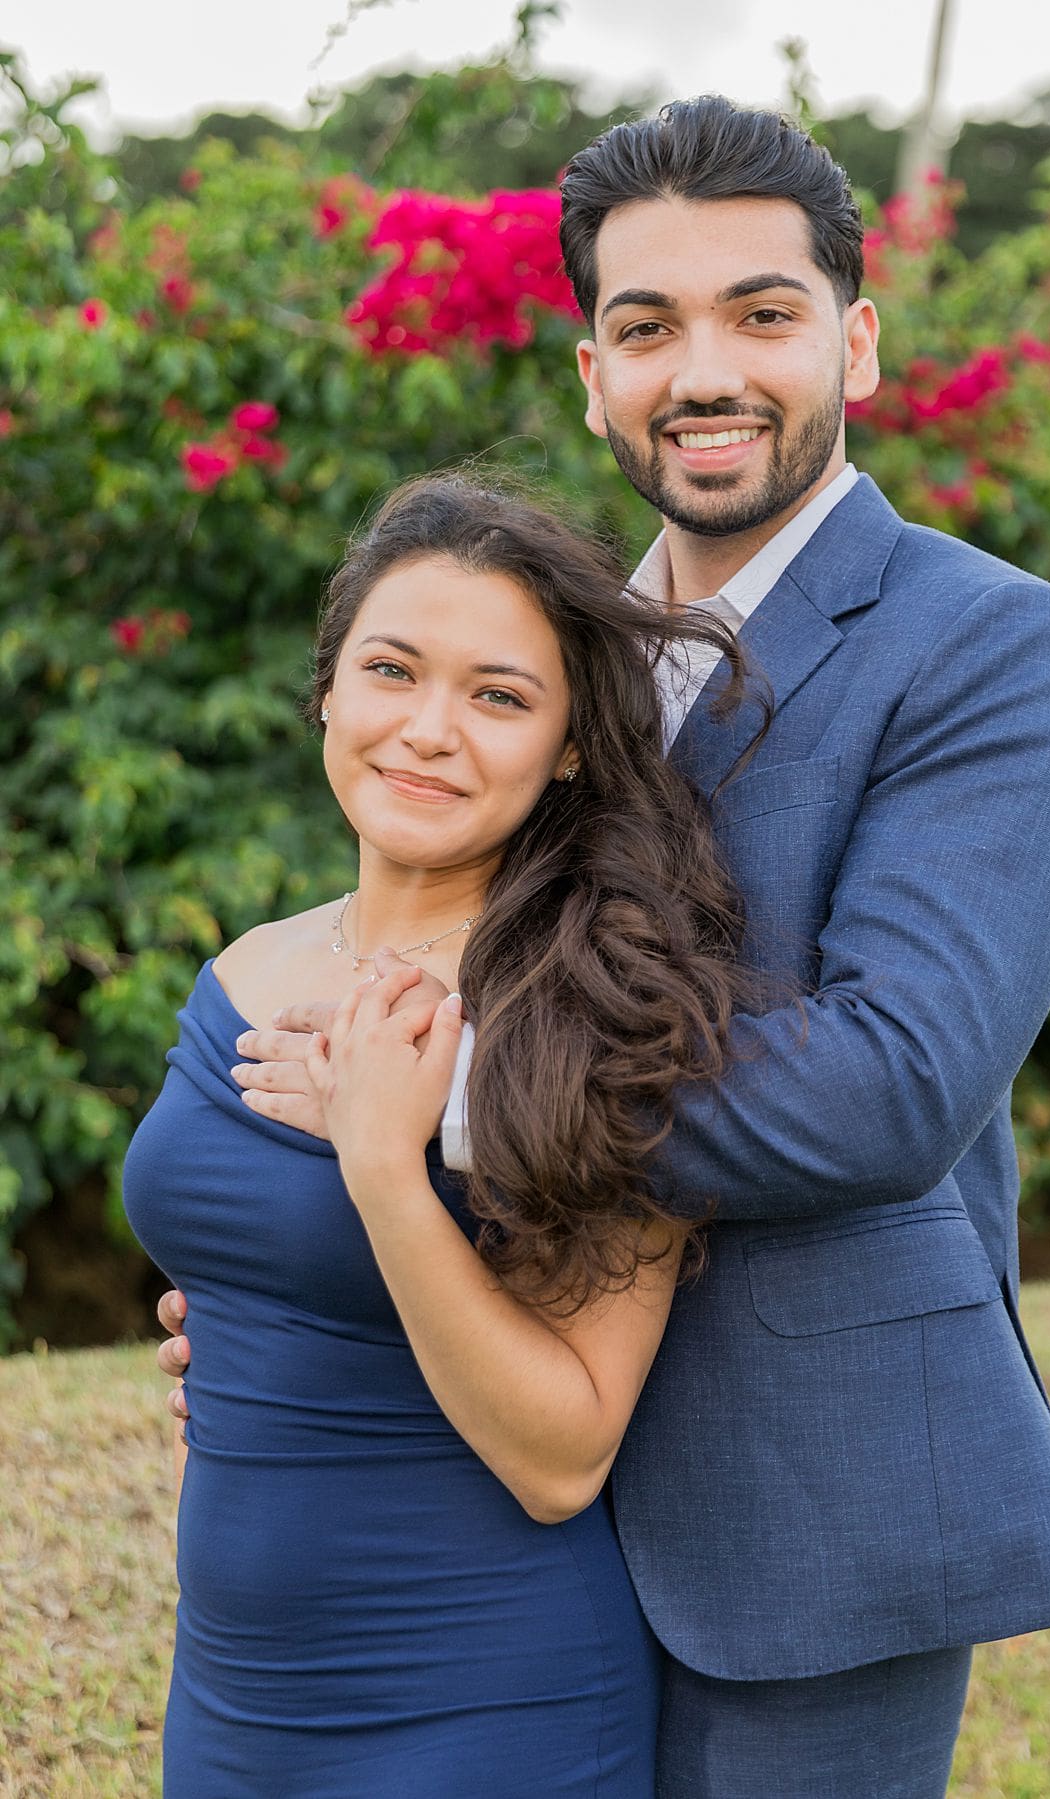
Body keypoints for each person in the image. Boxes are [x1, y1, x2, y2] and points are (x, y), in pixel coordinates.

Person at [156, 98, 1050, 1797]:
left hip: (801, 1512)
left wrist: (430, 1110)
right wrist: (313, 1281)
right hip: (498, 1487)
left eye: (763, 314)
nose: (707, 371)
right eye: (645, 324)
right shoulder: (555, 661)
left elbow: (891, 1085)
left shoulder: (993, 652)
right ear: (592, 374)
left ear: (859, 340)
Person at [124, 472, 768, 1797]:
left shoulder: (605, 1010)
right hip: (235, 1692)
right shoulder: (252, 967)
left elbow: (562, 1457)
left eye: (498, 696)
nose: (427, 730)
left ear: (572, 745)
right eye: (391, 670)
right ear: (327, 690)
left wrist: (384, 1171)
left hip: (483, 1694)